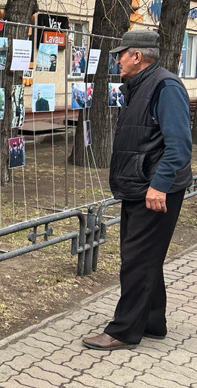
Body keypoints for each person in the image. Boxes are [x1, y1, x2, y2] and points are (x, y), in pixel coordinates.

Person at [82, 30, 192, 351]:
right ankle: (152, 322)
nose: (117, 60)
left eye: (121, 54)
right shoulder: (140, 86)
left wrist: (159, 185)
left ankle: (123, 330)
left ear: (137, 56)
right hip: (139, 187)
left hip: (155, 191)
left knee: (136, 260)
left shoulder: (165, 87)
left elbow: (180, 145)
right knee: (146, 257)